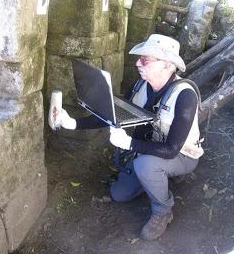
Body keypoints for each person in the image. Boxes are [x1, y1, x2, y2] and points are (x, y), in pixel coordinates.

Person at [49, 34, 204, 241]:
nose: (138, 63)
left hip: (181, 156)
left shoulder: (185, 96)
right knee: (119, 194)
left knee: (146, 166)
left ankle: (162, 210)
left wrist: (129, 143)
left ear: (167, 65)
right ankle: (155, 179)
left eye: (145, 60)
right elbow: (112, 115)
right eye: (140, 58)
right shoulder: (141, 85)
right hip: (147, 150)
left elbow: (172, 149)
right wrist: (74, 123)